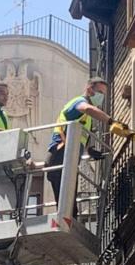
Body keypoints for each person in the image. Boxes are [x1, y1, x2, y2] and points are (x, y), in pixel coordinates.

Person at [46, 77, 114, 217]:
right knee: (64, 195)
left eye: (103, 94)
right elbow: (87, 108)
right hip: (61, 149)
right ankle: (66, 218)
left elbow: (81, 135)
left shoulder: (86, 118)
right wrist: (111, 121)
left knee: (68, 196)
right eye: (100, 92)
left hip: (70, 154)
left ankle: (67, 218)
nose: (101, 97)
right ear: (89, 89)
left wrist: (89, 150)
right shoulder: (79, 102)